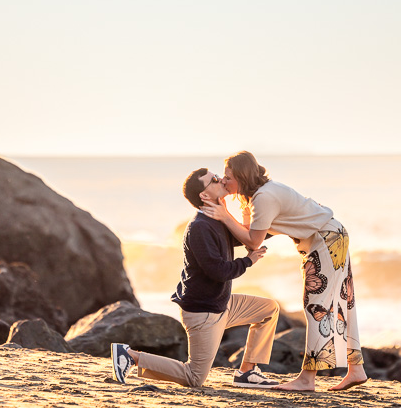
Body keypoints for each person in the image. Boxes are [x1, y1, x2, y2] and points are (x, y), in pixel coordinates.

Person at [201, 151, 367, 392]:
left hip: (325, 240)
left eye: (228, 177)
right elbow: (249, 233)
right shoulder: (256, 196)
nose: (224, 181)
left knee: (316, 306)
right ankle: (356, 369)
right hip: (331, 235)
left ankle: (306, 380)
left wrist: (225, 216)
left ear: (242, 176)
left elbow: (253, 242)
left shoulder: (264, 197)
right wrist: (227, 211)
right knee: (342, 302)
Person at [111, 167, 281, 389]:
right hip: (203, 312)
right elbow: (219, 271)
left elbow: (247, 236)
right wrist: (248, 261)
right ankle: (130, 356)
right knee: (194, 377)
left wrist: (285, 222)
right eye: (214, 180)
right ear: (204, 195)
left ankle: (247, 372)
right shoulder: (199, 227)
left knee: (269, 310)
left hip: (223, 304)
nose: (221, 180)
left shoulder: (217, 219)